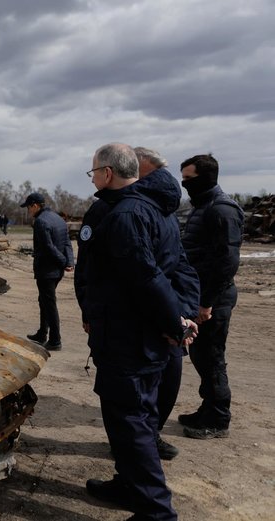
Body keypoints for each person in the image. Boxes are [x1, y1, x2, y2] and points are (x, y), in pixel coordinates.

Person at [81, 143, 198, 521]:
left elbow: (146, 278)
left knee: (132, 424)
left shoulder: (127, 215)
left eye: (93, 172)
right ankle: (129, 485)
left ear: (108, 173)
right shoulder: (153, 211)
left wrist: (175, 324)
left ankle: (155, 512)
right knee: (137, 419)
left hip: (129, 339)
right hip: (138, 336)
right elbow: (179, 270)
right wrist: (180, 317)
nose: (94, 178)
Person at [133, 147, 201, 459]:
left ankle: (144, 447)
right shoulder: (159, 212)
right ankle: (142, 446)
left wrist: (181, 318)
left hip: (154, 322)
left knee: (151, 387)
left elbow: (175, 270)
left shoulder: (145, 213)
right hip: (163, 319)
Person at [178, 154, 244, 440]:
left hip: (214, 298)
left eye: (189, 178)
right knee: (201, 354)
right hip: (201, 295)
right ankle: (208, 408)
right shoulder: (203, 207)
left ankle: (218, 419)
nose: (184, 184)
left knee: (212, 356)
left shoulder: (222, 210)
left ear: (206, 177)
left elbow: (226, 262)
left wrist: (207, 302)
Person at [21, 192, 74, 350]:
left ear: (35, 205)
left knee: (49, 304)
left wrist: (64, 261)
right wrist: (69, 262)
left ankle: (55, 340)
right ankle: (42, 332)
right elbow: (67, 243)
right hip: (56, 270)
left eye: (28, 208)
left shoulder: (41, 222)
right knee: (44, 300)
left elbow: (48, 247)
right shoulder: (58, 218)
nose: (28, 211)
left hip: (47, 270)